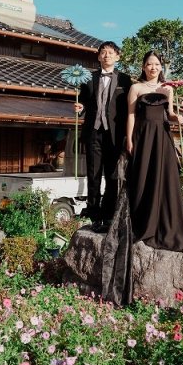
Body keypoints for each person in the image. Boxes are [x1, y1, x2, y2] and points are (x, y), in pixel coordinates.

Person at [125, 51, 183, 252]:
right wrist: (129, 139)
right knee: (143, 177)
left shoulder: (168, 89)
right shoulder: (136, 87)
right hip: (143, 138)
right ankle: (143, 224)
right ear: (143, 67)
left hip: (162, 137)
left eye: (156, 64)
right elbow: (131, 115)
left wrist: (176, 118)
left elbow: (168, 114)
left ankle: (165, 225)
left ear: (161, 67)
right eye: (149, 64)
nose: (153, 67)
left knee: (165, 178)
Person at [75, 41, 132, 228]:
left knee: (112, 176)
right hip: (93, 133)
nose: (106, 55)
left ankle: (108, 214)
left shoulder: (125, 80)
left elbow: (130, 108)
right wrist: (80, 106)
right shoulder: (87, 78)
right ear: (99, 56)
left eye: (110, 52)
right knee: (93, 174)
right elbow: (83, 101)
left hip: (115, 135)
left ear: (117, 56)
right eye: (103, 52)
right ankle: (93, 214)